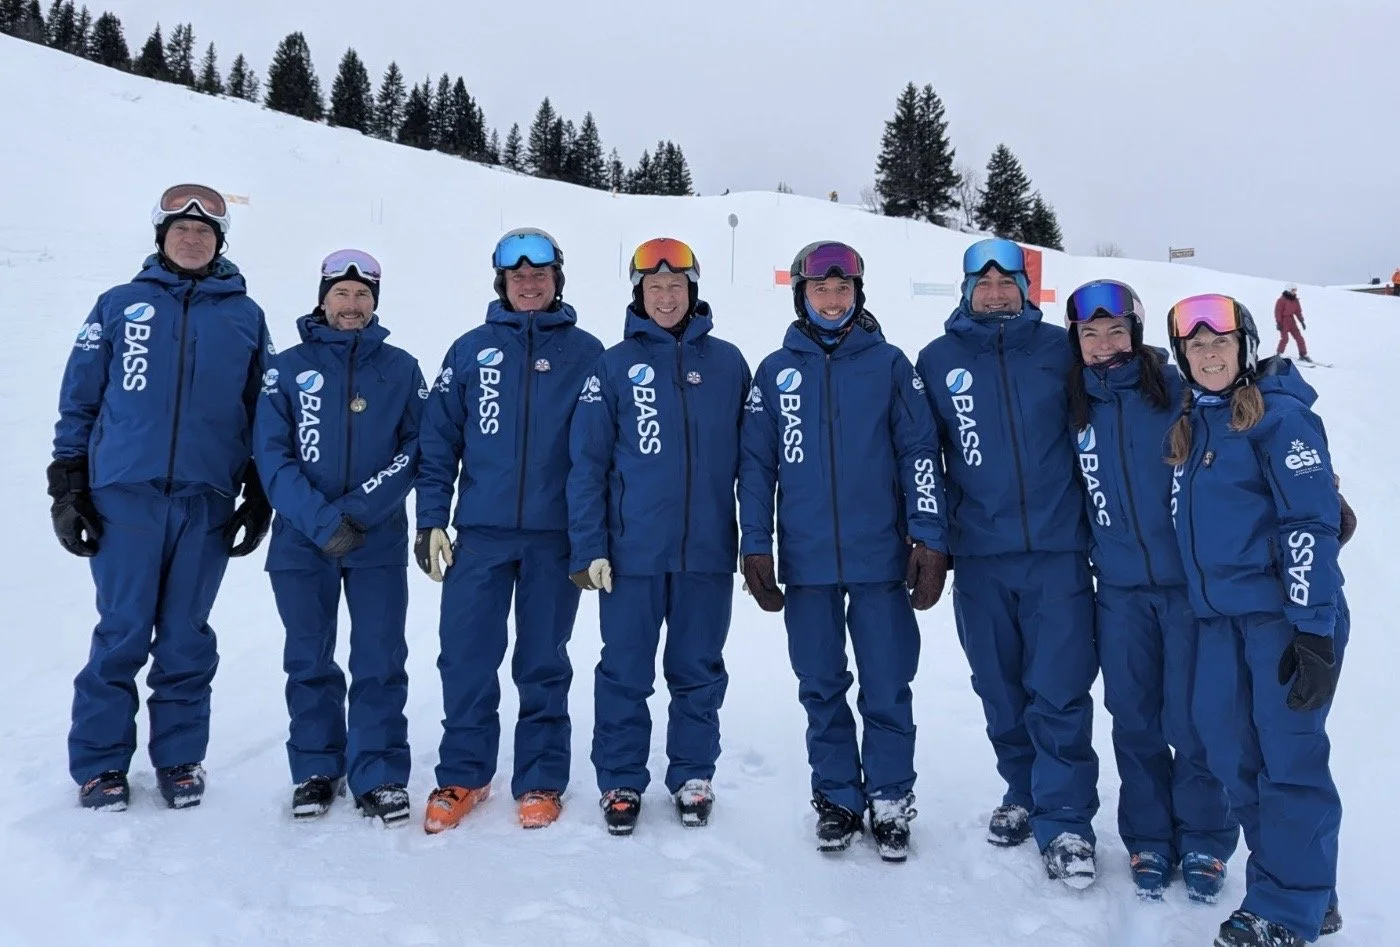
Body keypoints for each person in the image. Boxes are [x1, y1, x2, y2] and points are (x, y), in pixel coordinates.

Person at [48, 183, 273, 811]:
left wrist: (259, 490)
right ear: (162, 237)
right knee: (121, 632)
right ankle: (100, 767)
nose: (193, 238)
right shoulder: (119, 305)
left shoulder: (245, 316)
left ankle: (179, 760)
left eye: (205, 231)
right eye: (182, 230)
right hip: (125, 494)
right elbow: (80, 399)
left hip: (206, 495)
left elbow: (263, 408)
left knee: (185, 636)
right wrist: (68, 484)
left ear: (219, 242)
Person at [738, 241, 949, 863]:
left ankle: (888, 796)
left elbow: (919, 452)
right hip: (807, 565)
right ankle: (836, 796)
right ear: (802, 294)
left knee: (886, 683)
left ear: (858, 294)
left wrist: (929, 535)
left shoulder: (888, 364)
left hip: (880, 559)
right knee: (821, 684)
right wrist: (756, 546)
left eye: (842, 290)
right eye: (820, 290)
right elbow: (756, 467)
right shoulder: (776, 371)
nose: (832, 300)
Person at [1165, 294, 1354, 946]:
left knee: (1288, 760)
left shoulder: (1280, 419)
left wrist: (1312, 627)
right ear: (1183, 357)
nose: (1209, 354)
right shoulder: (1195, 423)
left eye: (1220, 342)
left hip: (1283, 619)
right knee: (1227, 751)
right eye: (1196, 345)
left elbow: (1311, 522)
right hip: (1222, 623)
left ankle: (1286, 908)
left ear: (1244, 347)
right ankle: (1308, 884)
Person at [915, 238, 1099, 887]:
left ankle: (1068, 817)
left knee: (1059, 688)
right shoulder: (937, 361)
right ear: (966, 290)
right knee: (999, 686)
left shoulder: (1060, 350)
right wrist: (931, 540)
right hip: (982, 555)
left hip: (1057, 552)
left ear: (1027, 287)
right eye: (982, 282)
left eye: (1006, 281)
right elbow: (922, 458)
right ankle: (1023, 789)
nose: (995, 292)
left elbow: (1123, 391)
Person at [415, 228, 603, 833]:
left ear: (557, 281)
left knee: (543, 659)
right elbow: (438, 442)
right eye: (518, 275)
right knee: (466, 657)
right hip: (481, 535)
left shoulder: (589, 353)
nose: (529, 283)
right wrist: (430, 521)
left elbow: (603, 451)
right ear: (501, 282)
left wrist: (593, 537)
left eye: (540, 275)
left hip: (555, 538)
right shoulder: (470, 350)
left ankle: (542, 778)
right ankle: (465, 773)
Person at [1063, 280, 1239, 902]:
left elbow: (1246, 428)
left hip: (1187, 590)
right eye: (1089, 333)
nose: (1104, 344)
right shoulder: (1073, 401)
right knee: (1133, 718)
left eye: (1116, 331)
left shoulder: (1175, 393)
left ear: (1136, 335)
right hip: (1117, 591)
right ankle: (1149, 838)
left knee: (1192, 719)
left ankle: (1204, 837)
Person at [567, 238, 750, 835]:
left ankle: (693, 774)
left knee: (698, 669)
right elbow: (587, 463)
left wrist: (755, 542)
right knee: (624, 670)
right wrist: (589, 544)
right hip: (631, 554)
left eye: (675, 287)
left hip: (706, 552)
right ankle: (620, 778)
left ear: (692, 290)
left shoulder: (729, 364)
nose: (666, 296)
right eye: (654, 288)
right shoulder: (613, 365)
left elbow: (755, 463)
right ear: (639, 294)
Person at [254, 250, 425, 826]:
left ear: (375, 301)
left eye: (362, 295)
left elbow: (414, 450)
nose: (352, 306)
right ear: (322, 298)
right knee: (309, 658)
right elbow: (272, 457)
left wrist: (357, 510)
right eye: (341, 294)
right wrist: (323, 520)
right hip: (302, 540)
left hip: (375, 539)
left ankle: (378, 772)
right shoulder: (285, 367)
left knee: (379, 658)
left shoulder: (400, 368)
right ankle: (316, 767)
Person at [1274, 284, 1310, 362]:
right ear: (1289, 290)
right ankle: (1278, 354)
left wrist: (1302, 321)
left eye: (1295, 290)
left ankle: (1303, 354)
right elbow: (1278, 311)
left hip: (1291, 320)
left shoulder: (1295, 300)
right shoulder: (1281, 300)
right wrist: (1279, 322)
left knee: (1299, 338)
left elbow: (1298, 312)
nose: (1294, 292)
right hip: (1283, 321)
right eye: (1293, 290)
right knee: (1285, 339)